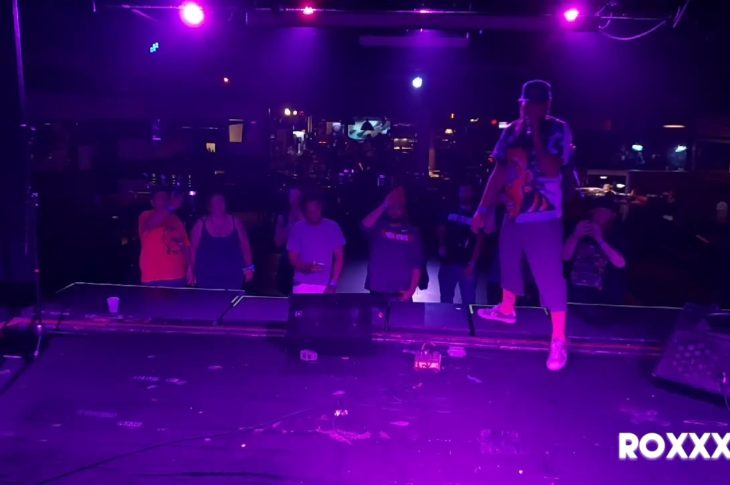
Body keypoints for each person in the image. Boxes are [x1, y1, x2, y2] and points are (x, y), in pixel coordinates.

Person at [471, 80, 572, 371]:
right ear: (522, 103)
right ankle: (506, 308)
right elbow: (499, 172)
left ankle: (559, 338)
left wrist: (536, 132)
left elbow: (552, 169)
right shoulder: (511, 131)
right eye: (528, 104)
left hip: (544, 216)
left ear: (547, 105)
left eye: (539, 105)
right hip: (514, 213)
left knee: (549, 276)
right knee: (508, 261)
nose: (531, 109)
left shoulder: (558, 129)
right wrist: (483, 208)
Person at [362, 187, 424, 302]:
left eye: (398, 208)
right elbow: (365, 225)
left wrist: (411, 291)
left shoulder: (413, 232)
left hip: (402, 290)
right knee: (376, 314)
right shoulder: (378, 227)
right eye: (391, 208)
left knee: (402, 315)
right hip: (377, 288)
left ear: (404, 210)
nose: (394, 211)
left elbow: (417, 265)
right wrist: (384, 204)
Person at [563, 196, 627, 304]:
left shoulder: (617, 235)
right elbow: (565, 257)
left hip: (604, 296)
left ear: (612, 216)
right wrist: (575, 236)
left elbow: (621, 263)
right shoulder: (580, 230)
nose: (599, 216)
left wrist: (600, 239)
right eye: (597, 212)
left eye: (604, 212)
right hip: (574, 292)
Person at [188, 193, 254, 290]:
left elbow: (246, 246)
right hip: (206, 275)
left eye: (221, 201)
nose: (218, 204)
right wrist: (191, 270)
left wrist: (249, 269)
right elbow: (193, 249)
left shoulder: (236, 222)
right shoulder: (200, 224)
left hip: (233, 274)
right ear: (209, 206)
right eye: (215, 202)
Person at [287, 192, 345, 294]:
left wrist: (333, 284)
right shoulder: (298, 228)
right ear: (305, 212)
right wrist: (305, 267)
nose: (313, 214)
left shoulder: (333, 227)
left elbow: (339, 257)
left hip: (325, 285)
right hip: (301, 283)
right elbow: (293, 257)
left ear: (320, 208)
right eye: (310, 211)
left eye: (316, 210)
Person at [437, 182, 485, 304]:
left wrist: (473, 263)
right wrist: (441, 245)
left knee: (468, 301)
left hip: (466, 263)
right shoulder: (450, 210)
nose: (464, 194)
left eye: (467, 191)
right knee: (445, 299)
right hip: (447, 262)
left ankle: (468, 317)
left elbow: (479, 240)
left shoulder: (477, 214)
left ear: (472, 193)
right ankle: (446, 317)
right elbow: (441, 228)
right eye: (462, 191)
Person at [138, 189, 189, 287]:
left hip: (178, 275)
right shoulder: (145, 215)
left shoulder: (176, 219)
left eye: (165, 198)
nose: (163, 201)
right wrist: (171, 206)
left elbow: (185, 245)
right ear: (152, 202)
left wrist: (190, 267)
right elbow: (151, 223)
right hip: (154, 277)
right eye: (159, 198)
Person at [274, 185, 303, 294]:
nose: (295, 199)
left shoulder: (309, 216)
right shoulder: (283, 217)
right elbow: (278, 242)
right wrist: (289, 225)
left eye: (297, 196)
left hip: (304, 261)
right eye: (292, 196)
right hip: (286, 262)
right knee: (285, 294)